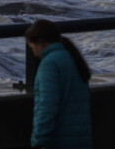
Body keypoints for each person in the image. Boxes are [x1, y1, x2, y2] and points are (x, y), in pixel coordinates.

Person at [26, 19, 92, 149]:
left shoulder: (50, 64)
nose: (33, 52)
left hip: (59, 140)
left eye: (31, 46)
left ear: (40, 42)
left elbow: (47, 106)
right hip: (81, 138)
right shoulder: (71, 57)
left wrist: (38, 140)